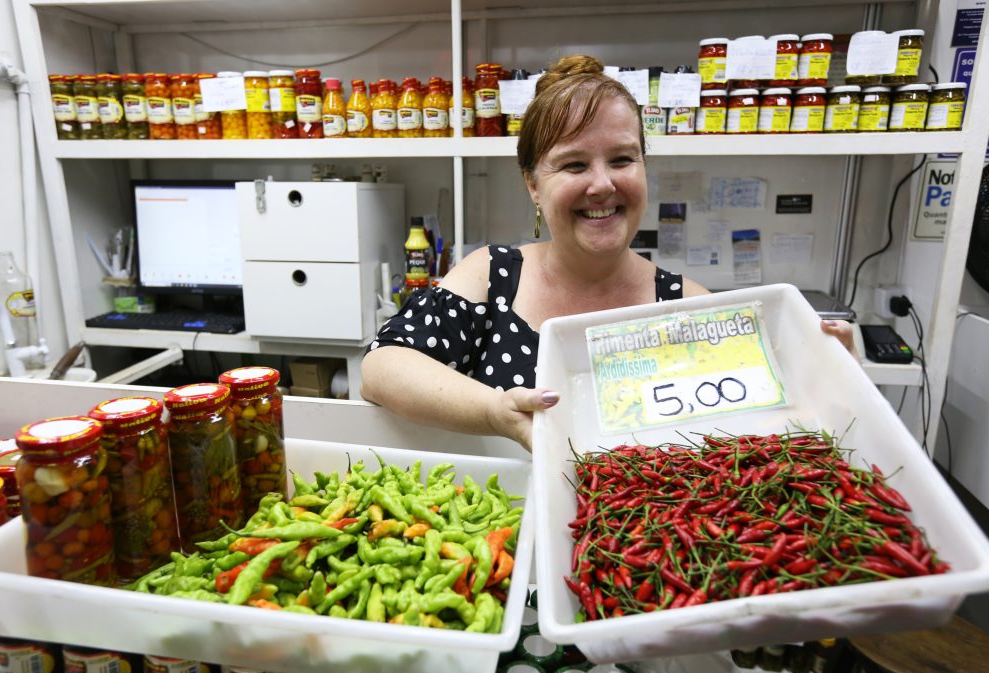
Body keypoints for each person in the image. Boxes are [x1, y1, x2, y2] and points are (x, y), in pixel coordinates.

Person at [361, 55, 854, 451]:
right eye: (574, 165)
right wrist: (497, 413)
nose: (603, 184)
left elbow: (770, 428)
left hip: (642, 550)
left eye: (622, 159)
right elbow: (383, 370)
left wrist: (831, 376)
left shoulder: (687, 304)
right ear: (533, 184)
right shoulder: (492, 275)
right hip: (506, 533)